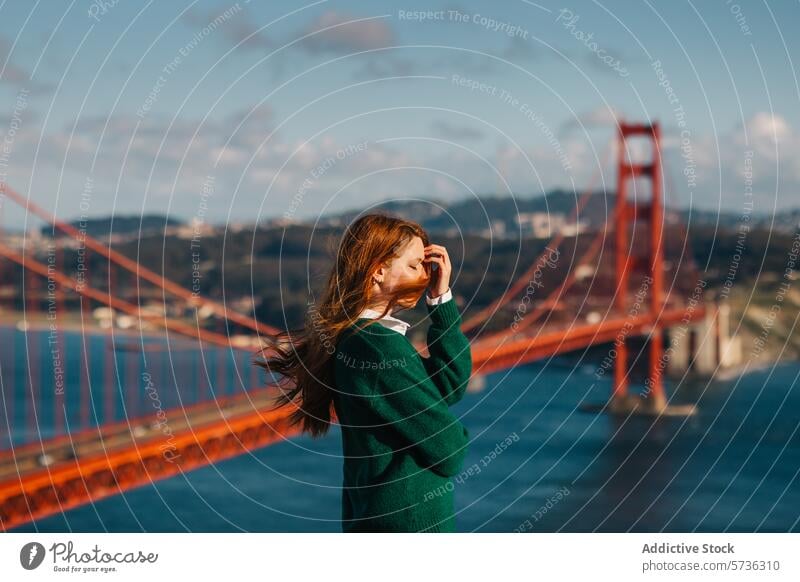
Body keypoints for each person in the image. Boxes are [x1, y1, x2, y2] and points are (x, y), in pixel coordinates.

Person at [256, 213, 472, 532]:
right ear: (378, 271)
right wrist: (450, 434)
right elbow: (450, 450)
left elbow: (447, 386)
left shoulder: (362, 339)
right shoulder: (379, 347)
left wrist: (441, 302)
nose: (426, 275)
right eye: (415, 266)